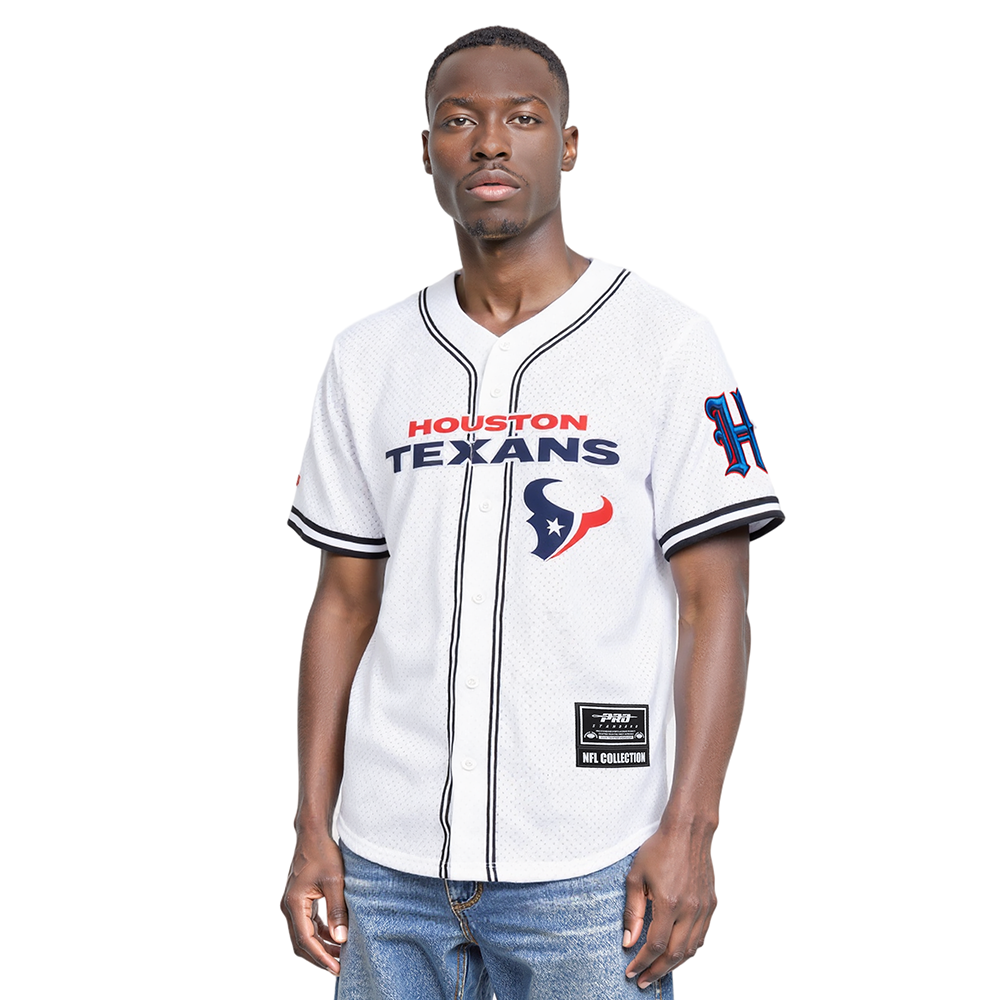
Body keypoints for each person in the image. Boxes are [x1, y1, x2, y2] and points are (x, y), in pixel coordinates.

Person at [280, 26, 783, 999]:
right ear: (427, 150)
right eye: (459, 121)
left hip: (590, 863)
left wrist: (690, 829)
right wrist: (311, 825)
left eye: (523, 117)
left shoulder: (665, 341)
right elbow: (341, 603)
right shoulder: (368, 356)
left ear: (569, 144)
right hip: (385, 863)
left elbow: (714, 602)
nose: (489, 142)